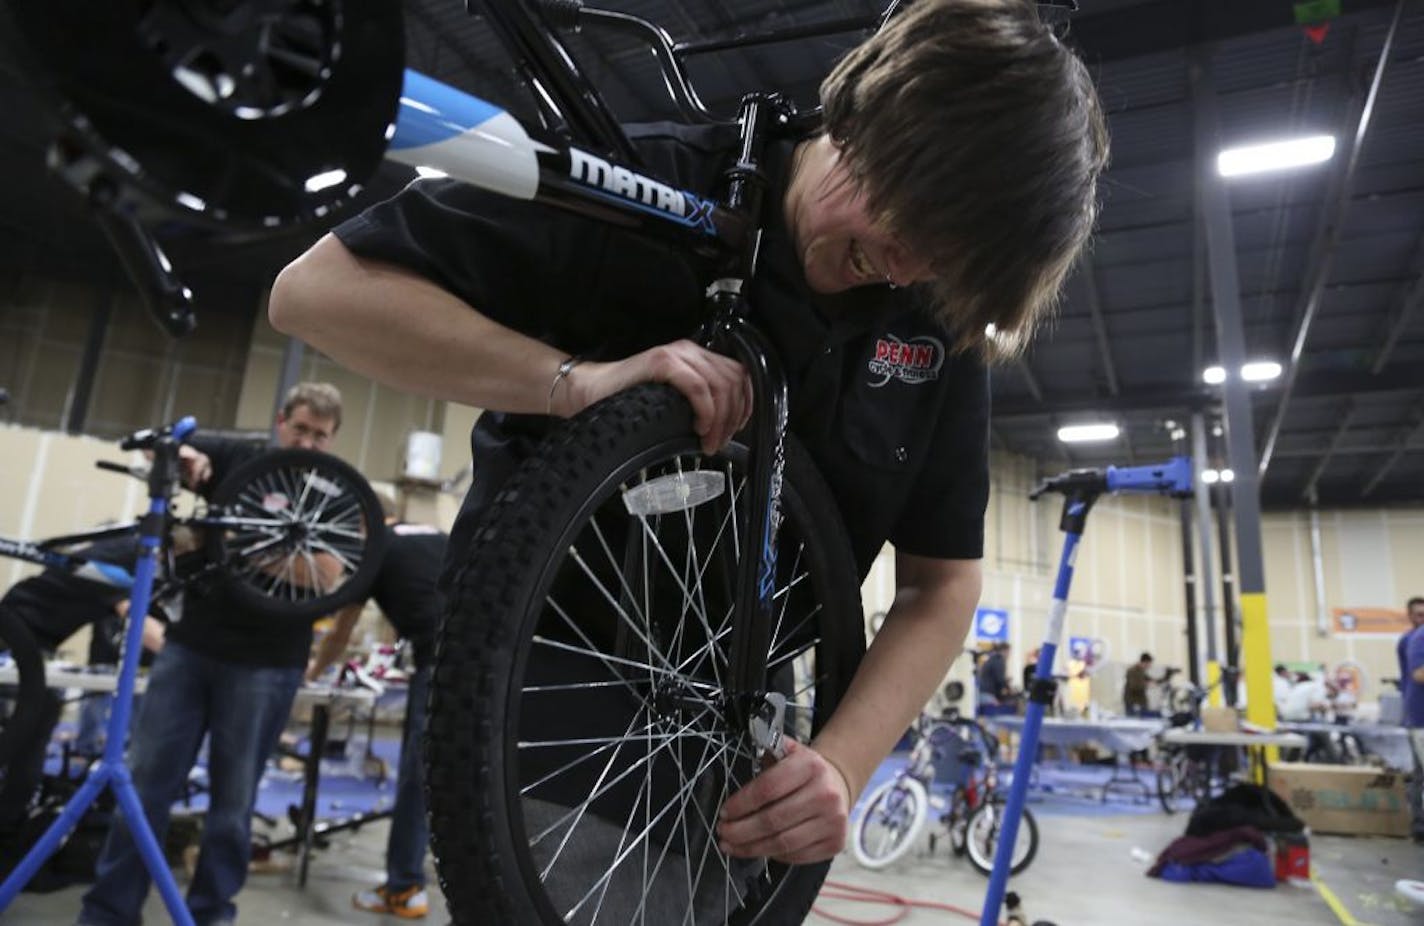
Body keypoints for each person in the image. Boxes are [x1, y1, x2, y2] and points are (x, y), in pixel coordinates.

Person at [269, 0, 1107, 866]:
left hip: (746, 739)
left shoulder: (935, 317)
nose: (905, 268)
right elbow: (316, 293)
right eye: (908, 226)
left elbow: (943, 587)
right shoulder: (640, 182)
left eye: (945, 258)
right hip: (547, 691)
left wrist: (843, 767)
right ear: (865, 116)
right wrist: (571, 384)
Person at [78, 382, 344, 926]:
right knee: (144, 786)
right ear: (280, 422)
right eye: (300, 429)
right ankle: (108, 914)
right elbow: (169, 444)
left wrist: (226, 543)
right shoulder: (241, 456)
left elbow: (326, 576)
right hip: (189, 648)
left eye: (321, 436)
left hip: (269, 664)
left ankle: (209, 917)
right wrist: (187, 457)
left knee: (233, 808)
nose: (309, 443)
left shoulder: (333, 492)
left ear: (332, 439)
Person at [304, 508, 447, 920]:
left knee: (417, 776)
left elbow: (341, 629)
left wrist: (311, 673)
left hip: (440, 661)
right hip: (492, 656)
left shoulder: (376, 549)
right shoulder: (431, 532)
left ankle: (403, 889)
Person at [0, 536, 166, 828]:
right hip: (17, 632)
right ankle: (11, 818)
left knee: (37, 722)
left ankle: (13, 816)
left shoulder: (125, 554)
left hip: (32, 634)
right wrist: (183, 656)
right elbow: (140, 621)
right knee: (35, 722)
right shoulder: (121, 562)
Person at [1402, 597, 1424, 842]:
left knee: (1419, 775)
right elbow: (1417, 674)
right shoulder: (1416, 639)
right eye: (1418, 614)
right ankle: (1419, 825)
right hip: (1420, 716)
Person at [976, 643, 1014, 712]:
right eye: (1009, 652)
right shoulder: (999, 660)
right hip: (988, 695)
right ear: (1005, 651)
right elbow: (1000, 679)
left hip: (982, 693)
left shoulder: (991, 659)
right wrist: (1010, 690)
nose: (1009, 655)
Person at [1123, 652, 1153, 716]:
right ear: (1145, 662)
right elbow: (1134, 686)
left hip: (1140, 702)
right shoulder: (1133, 671)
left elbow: (1151, 680)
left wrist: (1165, 677)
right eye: (1149, 664)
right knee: (1133, 722)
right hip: (1134, 702)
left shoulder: (1142, 671)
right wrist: (1146, 685)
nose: (1150, 666)